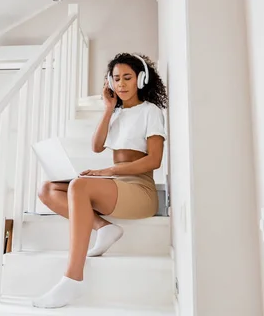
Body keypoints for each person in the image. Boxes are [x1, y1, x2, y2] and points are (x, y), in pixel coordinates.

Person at [33, 52, 168, 309]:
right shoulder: (116, 114)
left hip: (140, 190)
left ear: (142, 79)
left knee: (80, 185)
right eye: (116, 79)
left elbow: (154, 161)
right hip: (117, 184)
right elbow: (96, 146)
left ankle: (72, 279)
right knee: (47, 189)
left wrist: (109, 171)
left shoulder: (150, 111)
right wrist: (108, 109)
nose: (121, 84)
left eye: (127, 77)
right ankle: (103, 227)